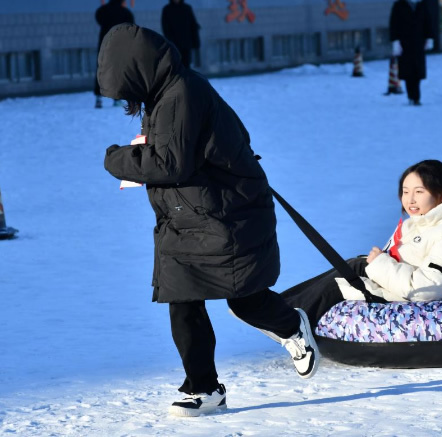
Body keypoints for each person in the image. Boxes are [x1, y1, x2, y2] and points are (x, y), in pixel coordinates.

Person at [98, 24, 319, 418]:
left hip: (226, 216)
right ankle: (203, 388)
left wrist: (116, 159)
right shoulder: (164, 95)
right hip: (187, 217)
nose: (127, 102)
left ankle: (290, 326)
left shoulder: (182, 94)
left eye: (127, 91)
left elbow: (170, 163)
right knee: (181, 301)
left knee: (245, 300)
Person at [281, 160, 442, 327]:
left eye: (419, 192)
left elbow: (427, 288)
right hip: (402, 285)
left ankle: (284, 321)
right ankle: (278, 307)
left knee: (348, 277)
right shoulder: (418, 223)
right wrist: (378, 262)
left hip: (423, 298)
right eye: (405, 192)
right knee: (352, 265)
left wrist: (380, 265)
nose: (410, 200)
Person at [389, 0, 435, 106]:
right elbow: (394, 24)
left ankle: (416, 96)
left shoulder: (422, 5)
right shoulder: (399, 5)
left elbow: (428, 21)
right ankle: (412, 96)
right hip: (405, 44)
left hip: (419, 43)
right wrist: (396, 41)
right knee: (408, 72)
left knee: (418, 71)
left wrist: (429, 37)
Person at [94, 0, 134, 109]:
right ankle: (116, 98)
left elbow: (98, 18)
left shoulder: (102, 11)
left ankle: (98, 97)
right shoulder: (125, 12)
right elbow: (131, 26)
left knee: (102, 69)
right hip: (119, 44)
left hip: (104, 43)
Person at [161, 0, 201, 69]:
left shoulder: (187, 8)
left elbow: (193, 26)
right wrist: (170, 42)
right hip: (174, 45)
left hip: (186, 44)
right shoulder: (167, 9)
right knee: (176, 67)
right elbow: (165, 28)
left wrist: (196, 42)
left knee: (186, 67)